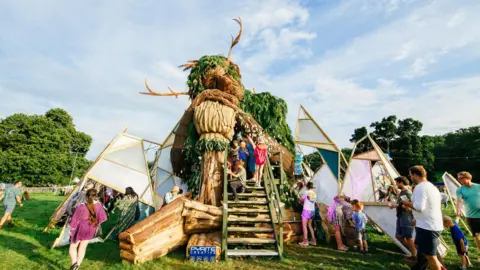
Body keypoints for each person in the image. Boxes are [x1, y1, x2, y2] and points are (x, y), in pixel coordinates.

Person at [402, 166, 443, 270]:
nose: (410, 177)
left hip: (428, 226)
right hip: (427, 224)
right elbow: (429, 207)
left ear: (415, 175)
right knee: (423, 250)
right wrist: (417, 218)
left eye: (410, 175)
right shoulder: (431, 186)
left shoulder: (421, 187)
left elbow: (419, 207)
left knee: (431, 256)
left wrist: (407, 203)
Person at [68, 188, 107, 270]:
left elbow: (74, 219)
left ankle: (74, 264)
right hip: (91, 228)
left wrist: (71, 228)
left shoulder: (81, 206)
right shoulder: (99, 206)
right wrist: (96, 225)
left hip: (80, 228)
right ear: (96, 196)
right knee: (82, 247)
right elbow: (103, 218)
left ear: (86, 195)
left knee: (73, 246)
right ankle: (77, 266)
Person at [390, 176, 417, 263]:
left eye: (397, 183)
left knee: (408, 237)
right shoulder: (402, 192)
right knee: (398, 236)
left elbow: (410, 205)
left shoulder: (407, 193)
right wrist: (395, 205)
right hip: (401, 216)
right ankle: (414, 251)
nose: (396, 184)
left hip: (406, 216)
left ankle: (414, 256)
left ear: (401, 182)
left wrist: (398, 205)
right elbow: (402, 204)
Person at [455, 172, 480, 259]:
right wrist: (458, 211)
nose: (460, 180)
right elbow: (459, 201)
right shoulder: (460, 189)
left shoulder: (478, 187)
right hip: (471, 216)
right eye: (458, 179)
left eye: (461, 178)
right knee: (476, 236)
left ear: (468, 178)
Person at [299, 182, 317, 246]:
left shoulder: (306, 192)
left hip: (306, 210)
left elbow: (301, 200)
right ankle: (314, 241)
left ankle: (305, 241)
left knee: (304, 226)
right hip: (312, 211)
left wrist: (299, 198)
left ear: (307, 187)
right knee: (310, 225)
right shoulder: (314, 193)